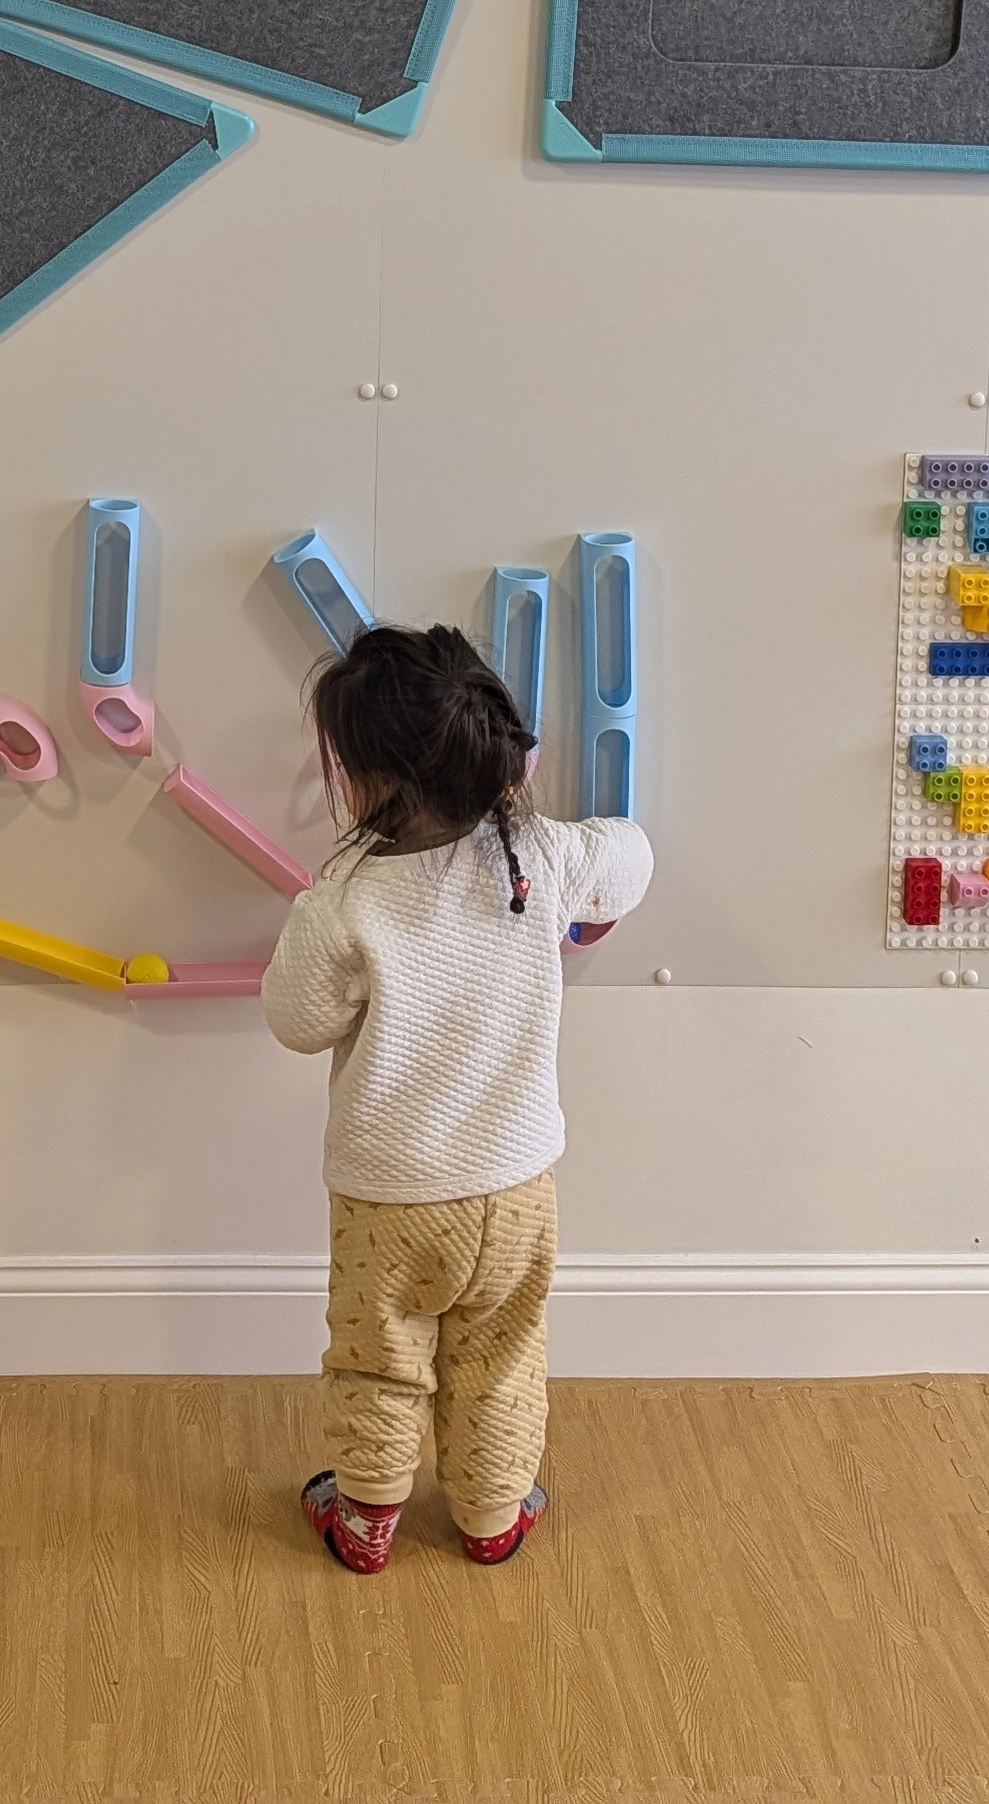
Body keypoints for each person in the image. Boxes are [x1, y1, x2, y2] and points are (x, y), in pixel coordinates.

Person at [260, 621, 653, 1573]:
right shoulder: (541, 857)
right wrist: (538, 815)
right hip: (518, 1190)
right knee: (501, 1356)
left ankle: (365, 1521)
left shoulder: (344, 901)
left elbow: (295, 1020)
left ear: (361, 775)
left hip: (389, 1203)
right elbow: (632, 861)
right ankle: (489, 1516)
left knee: (379, 1361)